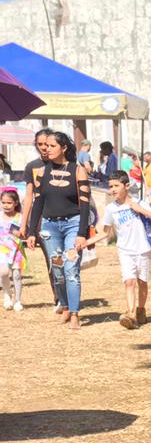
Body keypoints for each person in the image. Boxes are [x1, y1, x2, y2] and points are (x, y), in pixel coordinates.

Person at [26, 130, 92, 329]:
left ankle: (74, 312)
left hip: (73, 224)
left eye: (52, 146)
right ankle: (63, 305)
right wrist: (31, 231)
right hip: (49, 227)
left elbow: (85, 204)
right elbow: (38, 203)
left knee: (71, 269)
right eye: (45, 146)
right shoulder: (42, 171)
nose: (47, 149)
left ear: (64, 148)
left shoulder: (77, 169)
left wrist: (82, 233)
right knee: (57, 269)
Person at [101, 171, 151, 329]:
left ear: (126, 186)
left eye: (116, 186)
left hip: (142, 249)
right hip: (124, 250)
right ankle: (130, 314)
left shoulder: (138, 202)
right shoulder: (110, 209)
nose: (113, 189)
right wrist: (85, 241)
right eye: (110, 186)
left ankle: (141, 310)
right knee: (129, 282)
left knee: (142, 282)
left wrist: (139, 209)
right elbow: (105, 231)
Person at [21, 129, 62, 312]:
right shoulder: (32, 167)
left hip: (64, 215)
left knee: (66, 258)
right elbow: (29, 196)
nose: (44, 147)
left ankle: (69, 294)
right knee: (51, 259)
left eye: (48, 143)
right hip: (41, 217)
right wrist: (25, 225)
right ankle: (59, 297)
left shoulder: (64, 164)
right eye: (40, 144)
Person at [0, 188, 25, 311]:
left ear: (16, 203)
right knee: (3, 273)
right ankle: (7, 293)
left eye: (9, 203)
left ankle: (18, 300)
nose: (6, 205)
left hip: (17, 250)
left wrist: (21, 234)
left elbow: (25, 233)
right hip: (2, 250)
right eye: (3, 202)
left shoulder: (21, 217)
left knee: (17, 275)